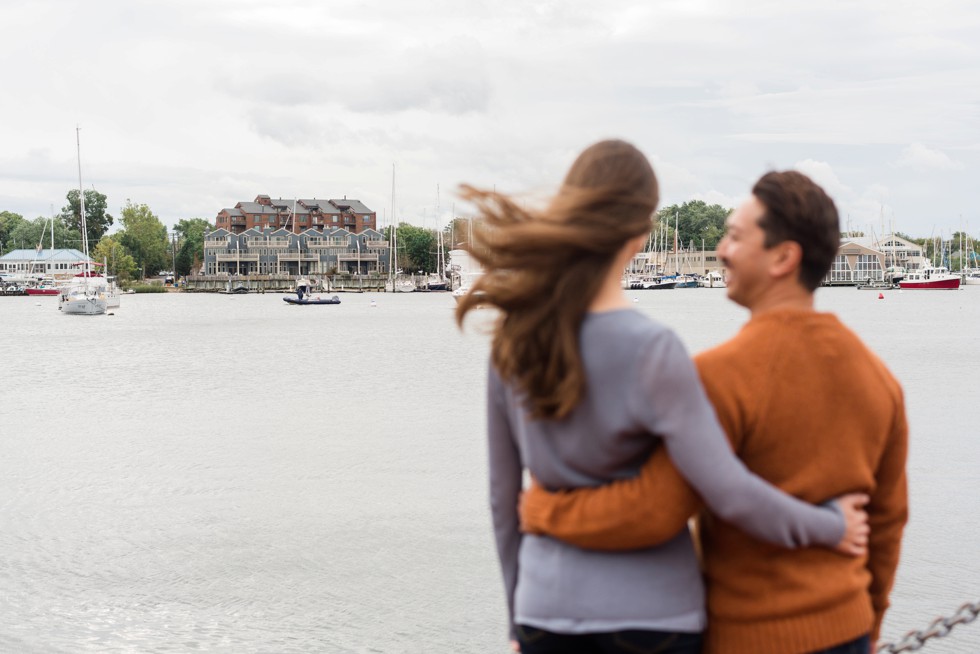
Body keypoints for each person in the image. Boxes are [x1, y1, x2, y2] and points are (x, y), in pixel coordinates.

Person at [456, 144, 870, 654]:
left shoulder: (511, 345)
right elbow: (728, 492)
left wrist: (517, 621)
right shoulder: (654, 350)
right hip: (654, 619)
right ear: (641, 233)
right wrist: (831, 525)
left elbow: (503, 500)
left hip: (545, 612)